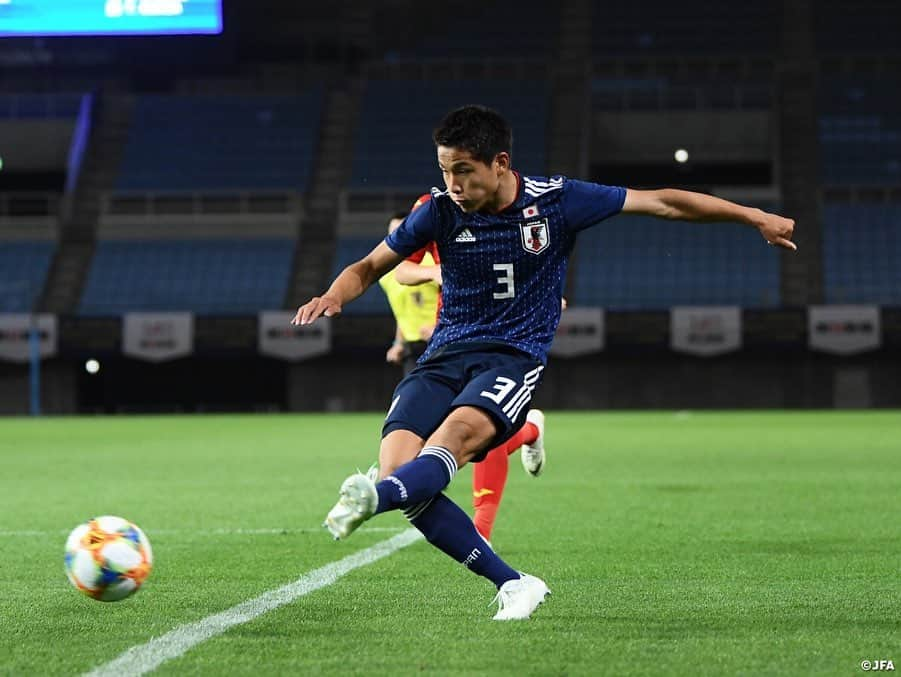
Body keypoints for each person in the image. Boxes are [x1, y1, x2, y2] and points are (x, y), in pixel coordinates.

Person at [293, 105, 795, 620]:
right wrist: (334, 294)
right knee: (404, 475)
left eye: (463, 170)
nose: (453, 183)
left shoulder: (557, 201)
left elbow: (663, 202)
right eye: (445, 170)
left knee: (448, 447)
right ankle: (513, 583)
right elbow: (371, 265)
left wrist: (753, 215)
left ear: (500, 163)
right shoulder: (440, 211)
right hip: (442, 357)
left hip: (509, 360)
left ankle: (373, 499)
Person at [385, 198, 547, 543]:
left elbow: (533, 259)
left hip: (505, 341)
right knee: (446, 440)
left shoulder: (518, 207)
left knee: (470, 430)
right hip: (447, 344)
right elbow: (402, 277)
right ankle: (530, 429)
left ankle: (482, 528)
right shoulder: (434, 216)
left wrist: (545, 297)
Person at [378, 211, 441, 374]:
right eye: (392, 234)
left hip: (441, 342)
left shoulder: (431, 264)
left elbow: (458, 298)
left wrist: (440, 328)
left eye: (401, 233)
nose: (396, 239)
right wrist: (398, 343)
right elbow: (403, 312)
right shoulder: (385, 276)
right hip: (412, 349)